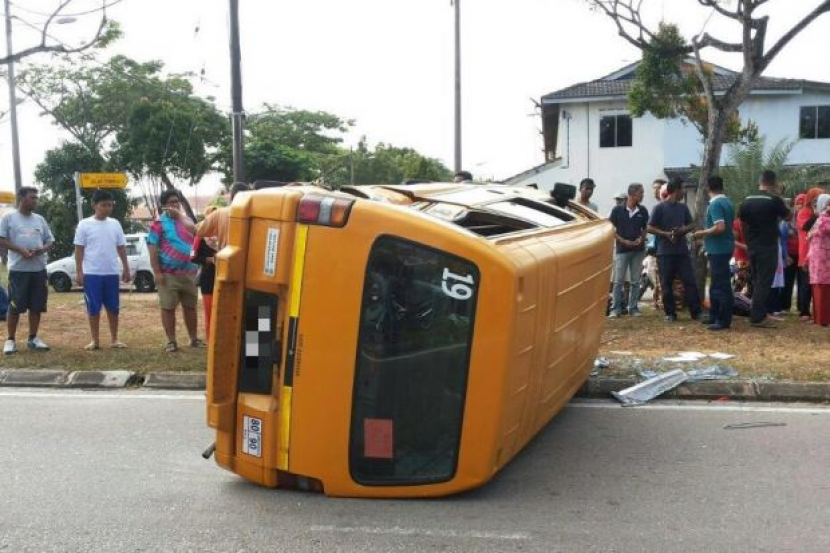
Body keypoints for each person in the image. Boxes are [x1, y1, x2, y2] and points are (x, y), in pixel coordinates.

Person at [147, 190, 205, 352]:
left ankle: (193, 339)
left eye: (177, 201)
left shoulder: (186, 220)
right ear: (164, 206)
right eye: (171, 202)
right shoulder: (158, 224)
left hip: (189, 273)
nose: (175, 205)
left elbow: (197, 235)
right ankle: (171, 341)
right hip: (167, 274)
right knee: (168, 308)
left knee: (190, 307)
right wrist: (157, 272)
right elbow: (152, 248)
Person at [74, 190, 132, 350]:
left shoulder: (115, 224)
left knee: (113, 307)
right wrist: (79, 271)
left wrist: (126, 268)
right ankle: (95, 340)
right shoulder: (84, 224)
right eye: (103, 205)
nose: (107, 208)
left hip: (111, 273)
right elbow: (79, 249)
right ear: (94, 205)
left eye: (110, 205)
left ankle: (114, 339)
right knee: (93, 307)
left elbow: (121, 247)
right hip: (92, 273)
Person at [0, 186, 54, 354]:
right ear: (22, 199)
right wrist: (20, 250)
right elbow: (1, 240)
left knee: (36, 306)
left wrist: (41, 249)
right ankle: (10, 340)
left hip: (38, 269)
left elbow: (50, 241)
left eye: (36, 198)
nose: (35, 200)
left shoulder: (40, 219)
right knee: (15, 305)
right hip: (18, 270)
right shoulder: (8, 218)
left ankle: (33, 338)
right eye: (32, 197)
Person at [738, 170, 790, 328]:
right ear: (773, 183)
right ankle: (757, 317)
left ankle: (758, 312)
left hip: (753, 245)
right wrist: (780, 196)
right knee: (764, 282)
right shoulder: (773, 200)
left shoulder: (747, 200)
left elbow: (742, 222)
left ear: (759, 182)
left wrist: (749, 240)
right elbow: (788, 216)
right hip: (768, 246)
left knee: (756, 280)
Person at [647, 178, 701, 322]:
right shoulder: (659, 208)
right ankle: (670, 313)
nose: (683, 192)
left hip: (682, 251)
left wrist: (682, 229)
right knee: (666, 284)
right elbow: (649, 227)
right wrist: (665, 234)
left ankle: (696, 312)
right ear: (675, 190)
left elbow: (691, 225)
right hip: (664, 252)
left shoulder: (683, 208)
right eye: (682, 189)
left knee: (689, 281)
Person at [693, 176, 735, 331]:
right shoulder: (727, 202)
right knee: (716, 284)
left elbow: (720, 227)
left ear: (707, 188)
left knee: (721, 285)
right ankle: (714, 315)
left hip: (719, 249)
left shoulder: (715, 204)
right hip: (723, 247)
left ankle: (723, 320)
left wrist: (701, 233)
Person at [608, 183, 649, 317]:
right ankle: (615, 309)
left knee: (635, 281)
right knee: (618, 281)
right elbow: (610, 229)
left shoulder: (642, 210)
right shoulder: (617, 210)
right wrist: (622, 240)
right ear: (632, 194)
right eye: (641, 193)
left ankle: (633, 308)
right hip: (622, 250)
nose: (643, 195)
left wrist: (641, 239)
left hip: (638, 250)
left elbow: (645, 228)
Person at [796, 187, 825, 321]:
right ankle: (804, 311)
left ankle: (818, 310)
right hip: (806, 251)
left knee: (818, 282)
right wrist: (818, 214)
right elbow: (806, 227)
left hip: (820, 253)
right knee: (805, 283)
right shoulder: (804, 212)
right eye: (817, 198)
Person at [196, 182, 249, 250]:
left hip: (226, 257)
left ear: (231, 195)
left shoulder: (220, 213)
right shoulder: (254, 215)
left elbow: (196, 230)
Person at [192, 206, 219, 338]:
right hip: (208, 278)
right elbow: (192, 256)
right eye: (212, 216)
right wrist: (209, 259)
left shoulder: (223, 233)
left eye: (217, 216)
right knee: (209, 311)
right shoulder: (200, 235)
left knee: (221, 311)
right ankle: (210, 339)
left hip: (221, 278)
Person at [806, 193, 830, 326]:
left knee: (822, 288)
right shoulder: (823, 219)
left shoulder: (820, 219)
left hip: (821, 259)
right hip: (822, 260)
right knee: (821, 288)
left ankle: (821, 318)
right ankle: (822, 319)